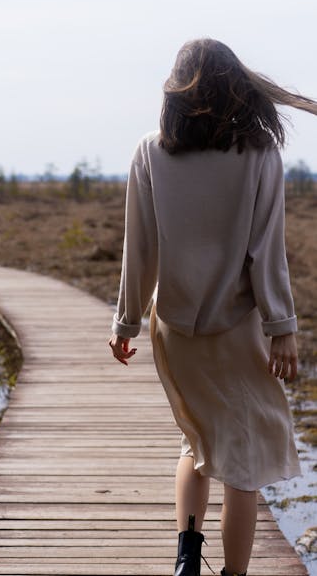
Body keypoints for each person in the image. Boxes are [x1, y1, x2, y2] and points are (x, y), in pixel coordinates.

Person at [108, 38, 317, 576]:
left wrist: (126, 322)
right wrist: (282, 328)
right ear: (237, 86)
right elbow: (266, 252)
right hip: (237, 330)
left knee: (196, 437)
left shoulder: (149, 151)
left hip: (173, 328)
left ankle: (186, 560)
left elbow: (140, 248)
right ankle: (234, 575)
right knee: (241, 462)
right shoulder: (259, 154)